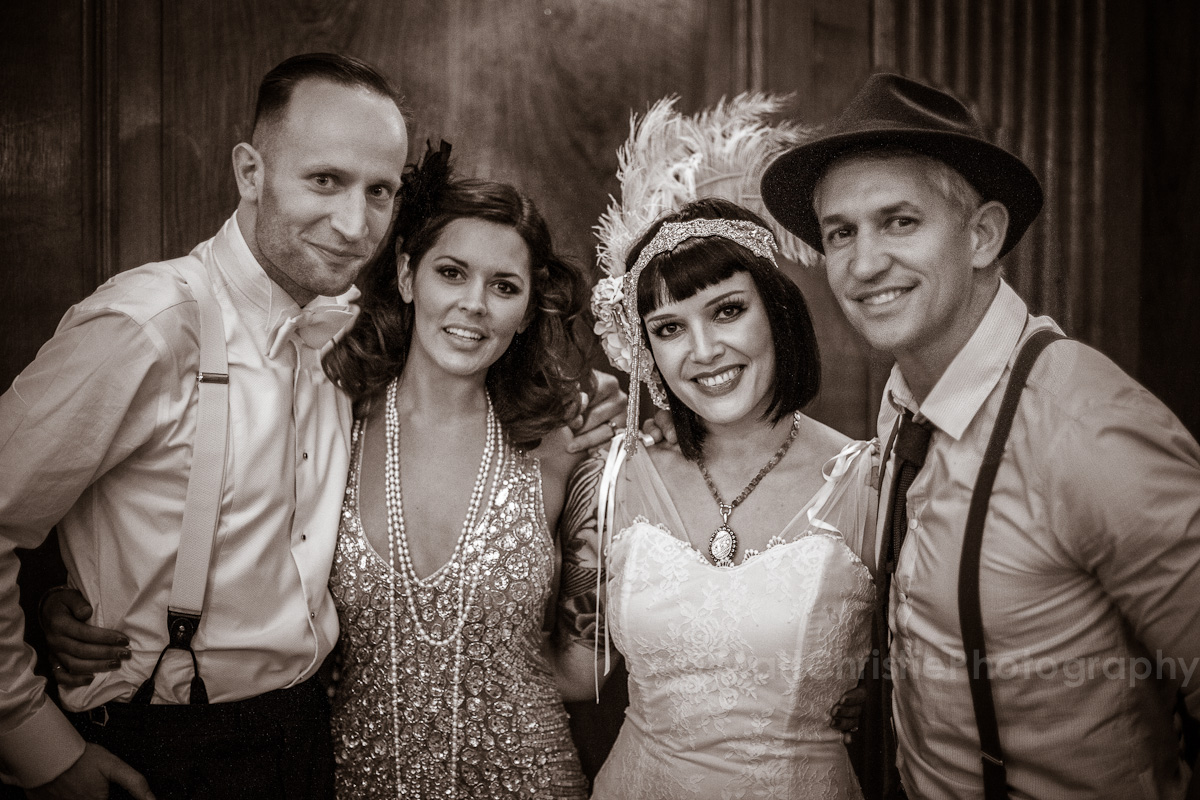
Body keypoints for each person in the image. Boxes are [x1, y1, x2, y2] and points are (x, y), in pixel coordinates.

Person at [8, 54, 621, 800]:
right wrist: (42, 739)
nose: (353, 223)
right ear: (250, 172)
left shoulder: (341, 357)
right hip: (174, 746)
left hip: (307, 746)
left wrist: (620, 411)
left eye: (379, 192)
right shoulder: (148, 325)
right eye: (325, 180)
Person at [759, 72, 1200, 799]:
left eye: (900, 221)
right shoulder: (903, 406)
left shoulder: (1085, 426)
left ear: (982, 235)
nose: (864, 265)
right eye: (841, 233)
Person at [554, 195, 880, 799]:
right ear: (647, 350)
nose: (702, 351)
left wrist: (880, 693)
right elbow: (577, 673)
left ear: (777, 312)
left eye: (727, 311)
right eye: (669, 328)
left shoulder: (871, 484)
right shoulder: (616, 476)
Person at [318, 143, 594, 798]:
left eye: (504, 287)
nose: (475, 303)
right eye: (452, 273)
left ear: (526, 312)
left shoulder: (565, 446)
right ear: (407, 276)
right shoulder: (329, 426)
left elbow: (588, 671)